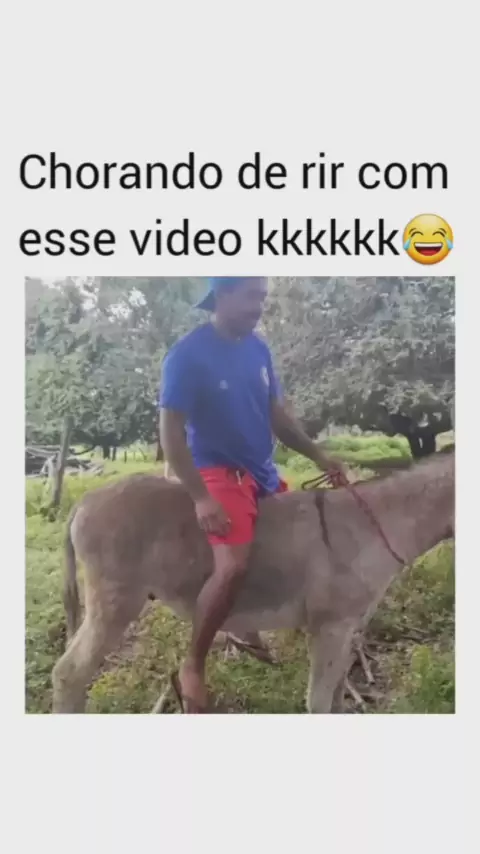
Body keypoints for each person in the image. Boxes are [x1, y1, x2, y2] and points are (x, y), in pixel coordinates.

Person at [159, 276, 345, 712]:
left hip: (261, 471)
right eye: (250, 296)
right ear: (221, 296)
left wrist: (319, 455)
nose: (259, 306)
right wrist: (201, 497)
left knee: (291, 542)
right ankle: (193, 664)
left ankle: (247, 624)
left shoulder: (258, 349)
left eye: (262, 297)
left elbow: (278, 417)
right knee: (233, 566)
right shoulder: (187, 355)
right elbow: (170, 433)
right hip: (217, 472)